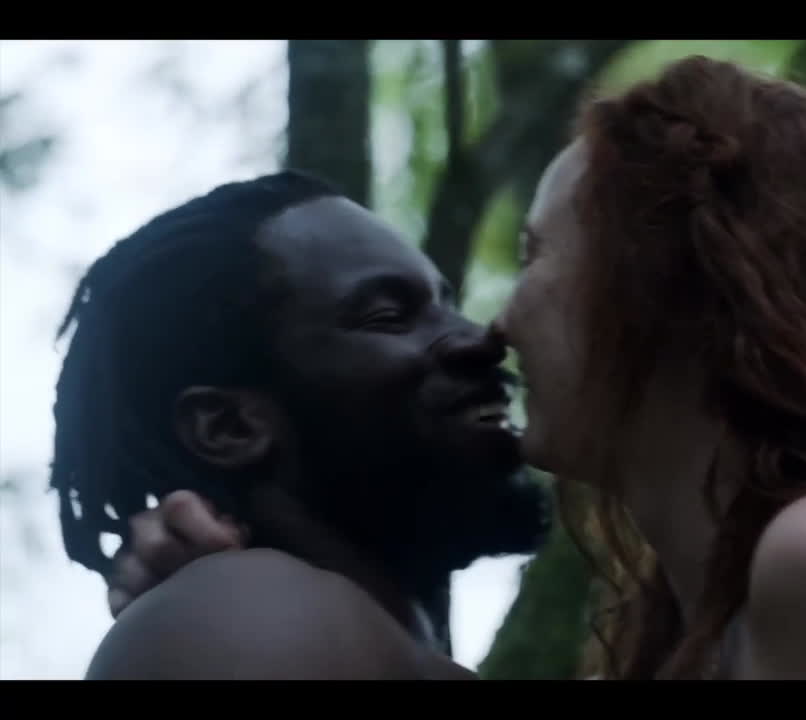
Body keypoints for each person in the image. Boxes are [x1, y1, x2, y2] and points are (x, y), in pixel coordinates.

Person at [105, 56, 806, 679]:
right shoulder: (719, 621)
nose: (493, 327)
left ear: (668, 278)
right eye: (387, 313)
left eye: (536, 256)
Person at [50, 171, 547, 679]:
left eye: (447, 306)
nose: (481, 339)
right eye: (387, 315)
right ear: (230, 427)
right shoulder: (247, 620)